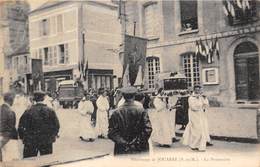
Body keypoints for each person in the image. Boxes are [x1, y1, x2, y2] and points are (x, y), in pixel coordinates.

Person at [108, 86, 152, 155]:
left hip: (122, 149)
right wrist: (137, 142)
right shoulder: (142, 111)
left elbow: (111, 132)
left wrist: (124, 143)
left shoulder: (116, 112)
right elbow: (148, 129)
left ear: (123, 96)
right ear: (134, 96)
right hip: (139, 148)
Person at [18, 91, 60, 158]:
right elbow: (56, 125)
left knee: (29, 161)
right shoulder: (50, 111)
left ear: (34, 99)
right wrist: (53, 135)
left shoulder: (28, 111)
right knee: (46, 161)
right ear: (43, 98)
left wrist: (22, 137)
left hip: (30, 141)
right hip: (46, 140)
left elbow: (21, 125)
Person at [182, 85, 211, 152]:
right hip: (194, 116)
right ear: (194, 90)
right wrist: (200, 105)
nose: (198, 91)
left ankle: (201, 147)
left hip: (201, 116)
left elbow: (206, 105)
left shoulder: (201, 97)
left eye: (199, 90)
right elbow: (193, 107)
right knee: (196, 131)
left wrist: (205, 98)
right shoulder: (191, 98)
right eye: (197, 90)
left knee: (202, 130)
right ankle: (193, 145)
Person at [0, 92, 18, 161]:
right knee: (11, 161)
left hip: (2, 138)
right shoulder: (10, 111)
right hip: (9, 140)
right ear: (11, 100)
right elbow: (11, 128)